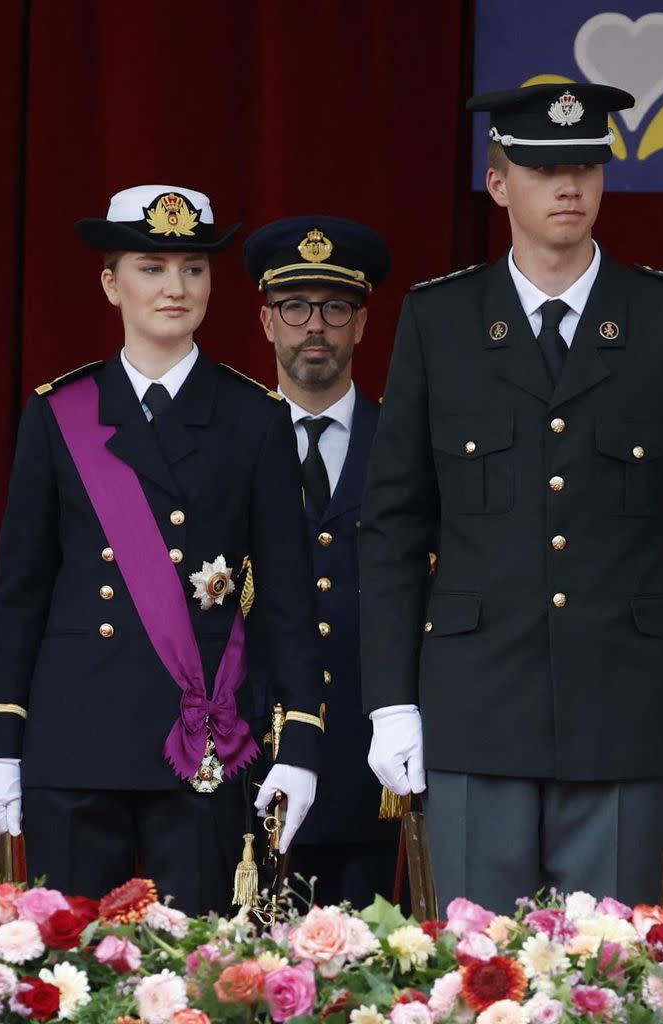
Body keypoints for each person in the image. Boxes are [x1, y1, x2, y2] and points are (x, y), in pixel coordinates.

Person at [359, 84, 663, 912]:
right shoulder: (441, 320)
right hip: (473, 703)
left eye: (585, 166)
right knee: (478, 978)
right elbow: (393, 524)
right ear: (498, 184)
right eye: (541, 169)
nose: (568, 186)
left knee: (607, 981)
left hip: (625, 703)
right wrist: (392, 699)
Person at [0, 185, 325, 914]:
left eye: (193, 269)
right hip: (77, 741)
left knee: (195, 979)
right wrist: (3, 742)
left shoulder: (254, 417)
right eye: (151, 266)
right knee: (72, 980)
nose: (175, 287)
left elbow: (288, 599)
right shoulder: (58, 413)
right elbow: (22, 591)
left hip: (198, 748)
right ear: (111, 283)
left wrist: (300, 744)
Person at [242, 215, 400, 907]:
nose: (315, 326)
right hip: (250, 750)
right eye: (294, 307)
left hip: (374, 756)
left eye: (334, 308)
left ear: (360, 324)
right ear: (266, 321)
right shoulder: (226, 439)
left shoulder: (404, 441)